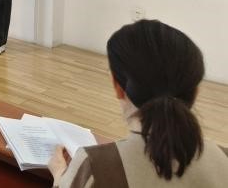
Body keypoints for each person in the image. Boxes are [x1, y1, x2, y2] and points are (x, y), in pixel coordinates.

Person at [50, 20, 228, 187]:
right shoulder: (224, 159)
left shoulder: (93, 167)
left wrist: (59, 175)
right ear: (196, 91)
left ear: (118, 87)